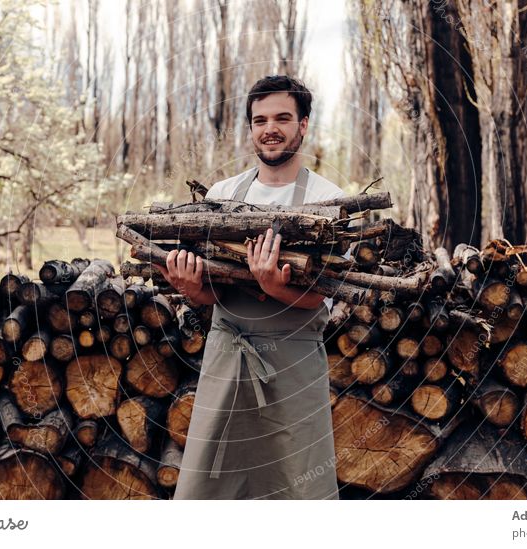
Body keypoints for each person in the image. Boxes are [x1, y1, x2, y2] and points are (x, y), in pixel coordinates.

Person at [155, 75, 343, 499]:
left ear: (304, 125)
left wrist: (274, 287)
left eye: (282, 117)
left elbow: (320, 297)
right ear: (251, 129)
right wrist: (189, 287)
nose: (269, 128)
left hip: (293, 364)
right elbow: (213, 295)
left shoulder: (328, 201)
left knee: (299, 493)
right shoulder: (222, 196)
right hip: (227, 359)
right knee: (209, 492)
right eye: (259, 120)